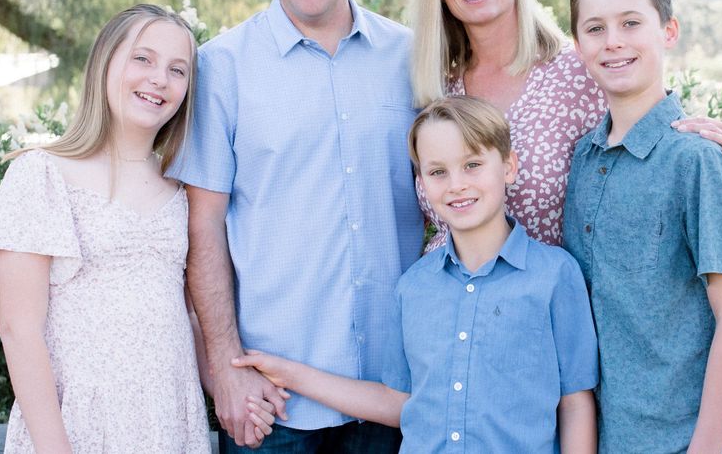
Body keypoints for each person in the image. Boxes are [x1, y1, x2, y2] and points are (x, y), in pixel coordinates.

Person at [168, 0, 423, 452]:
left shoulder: (411, 58)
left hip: (395, 389)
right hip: (270, 399)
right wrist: (224, 369)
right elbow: (203, 227)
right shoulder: (222, 68)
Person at [235, 95, 599, 453]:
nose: (456, 184)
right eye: (438, 172)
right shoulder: (414, 287)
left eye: (472, 164)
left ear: (508, 167)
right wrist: (292, 374)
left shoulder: (554, 276)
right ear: (422, 183)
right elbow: (397, 401)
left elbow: (575, 402)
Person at [408, 0, 722, 249]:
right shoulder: (434, 88)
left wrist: (708, 156)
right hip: (444, 282)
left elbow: (653, 145)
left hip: (556, 282)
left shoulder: (580, 71)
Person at [0, 4, 209, 453]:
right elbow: (18, 328)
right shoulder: (42, 174)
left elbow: (186, 315)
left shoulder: (182, 188)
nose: (159, 79)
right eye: (142, 59)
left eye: (177, 70)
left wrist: (233, 384)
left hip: (169, 423)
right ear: (105, 61)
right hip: (77, 427)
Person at [562, 0, 722, 452]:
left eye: (631, 23)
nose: (613, 41)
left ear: (668, 31)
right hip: (606, 437)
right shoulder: (583, 160)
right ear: (578, 46)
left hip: (683, 440)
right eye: (595, 28)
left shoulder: (698, 162)